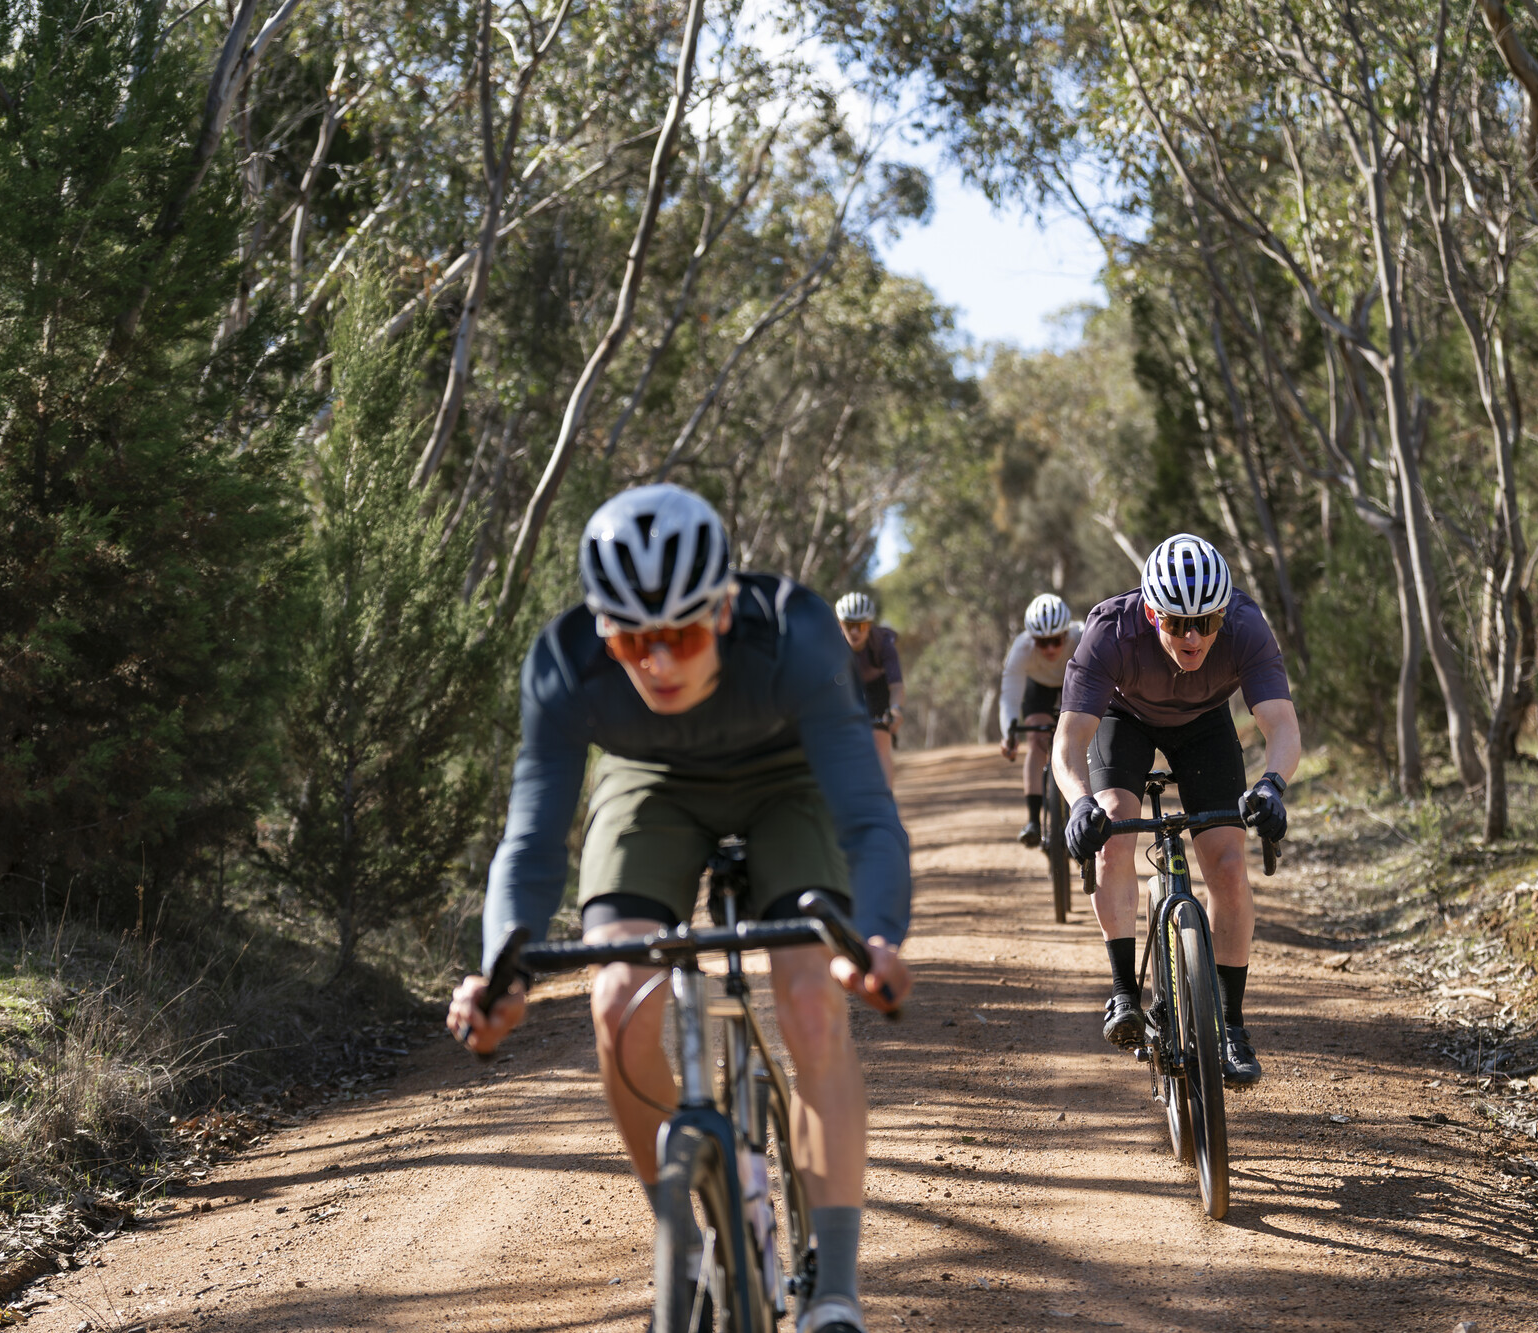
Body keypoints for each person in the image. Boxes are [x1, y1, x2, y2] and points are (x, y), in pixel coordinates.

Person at [447, 484, 913, 1333]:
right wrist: (499, 968)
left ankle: (836, 1294)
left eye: (682, 635)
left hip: (787, 781)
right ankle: (686, 1243)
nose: (655, 662)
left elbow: (867, 816)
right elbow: (530, 840)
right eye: (629, 638)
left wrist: (875, 937)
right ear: (600, 627)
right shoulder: (563, 664)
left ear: (727, 611)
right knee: (617, 997)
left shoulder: (799, 637)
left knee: (812, 996)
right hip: (649, 783)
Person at [1050, 533, 1300, 1088]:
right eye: (1176, 624)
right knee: (1113, 829)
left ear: (1222, 615)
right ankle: (1123, 992)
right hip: (1123, 720)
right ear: (1150, 611)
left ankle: (1231, 1027)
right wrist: (1078, 803)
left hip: (1206, 725)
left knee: (1229, 865)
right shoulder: (1109, 633)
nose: (1192, 637)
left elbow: (1281, 725)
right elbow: (1067, 744)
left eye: (1205, 624)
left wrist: (1273, 786)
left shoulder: (1246, 627)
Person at [997, 593, 1084, 846]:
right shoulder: (1021, 648)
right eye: (1042, 642)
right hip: (1040, 688)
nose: (1050, 649)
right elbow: (1010, 696)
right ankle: (1033, 820)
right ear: (1031, 639)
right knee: (1036, 739)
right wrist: (1009, 734)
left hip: (1073, 680)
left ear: (1066, 634)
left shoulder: (1082, 636)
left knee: (1081, 737)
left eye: (1056, 641)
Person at [835, 592, 904, 788]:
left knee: (879, 740)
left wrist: (895, 709)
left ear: (871, 625)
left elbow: (897, 685)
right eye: (849, 625)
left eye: (862, 626)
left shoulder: (883, 644)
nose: (855, 632)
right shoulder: (831, 645)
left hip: (878, 688)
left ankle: (886, 807)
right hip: (845, 688)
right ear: (840, 624)